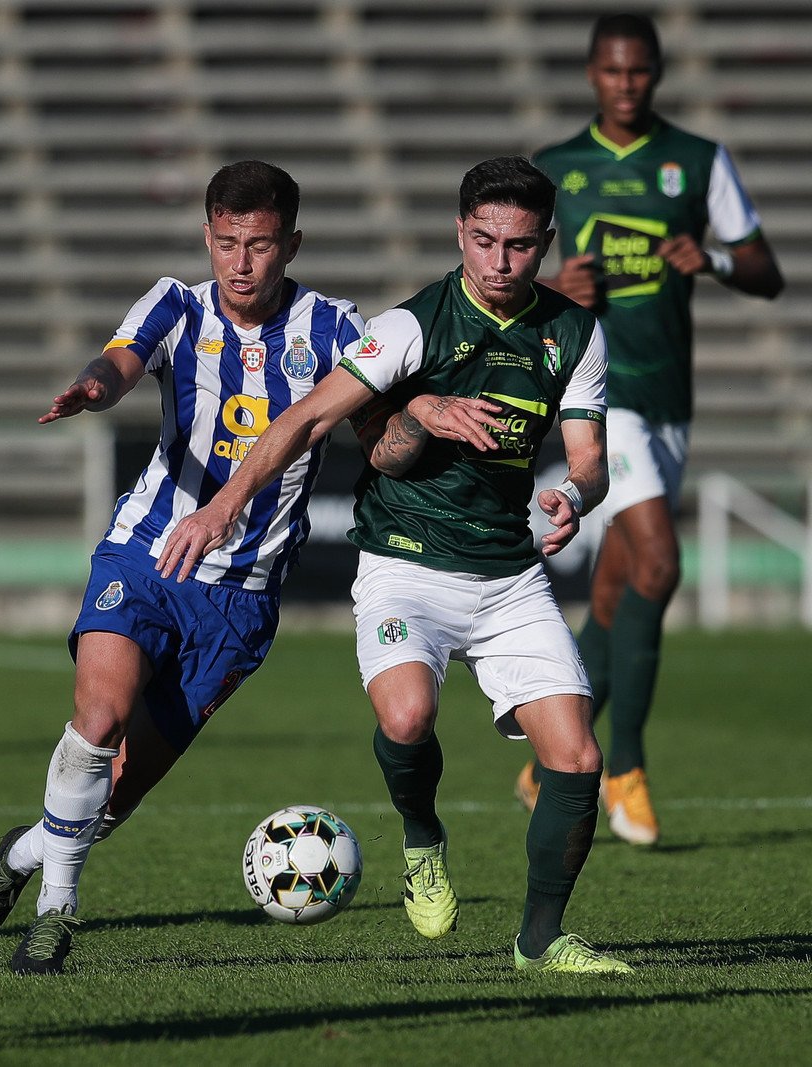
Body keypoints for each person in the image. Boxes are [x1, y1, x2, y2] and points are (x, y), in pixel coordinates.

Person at [161, 157, 634, 974]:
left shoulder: (575, 334)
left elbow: (589, 459)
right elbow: (307, 417)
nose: (499, 261)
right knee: (408, 717)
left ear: (544, 244)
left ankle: (539, 939)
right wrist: (225, 501)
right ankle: (422, 839)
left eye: (519, 246)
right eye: (483, 240)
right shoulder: (412, 327)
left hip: (508, 574)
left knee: (580, 759)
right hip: (405, 563)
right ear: (460, 233)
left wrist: (575, 496)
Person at [0, 161, 367, 975]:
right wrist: (92, 388)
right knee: (98, 719)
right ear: (207, 236)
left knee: (111, 795)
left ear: (293, 244)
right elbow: (122, 360)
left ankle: (22, 855)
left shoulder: (334, 327)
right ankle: (57, 913)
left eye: (260, 245)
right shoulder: (176, 301)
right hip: (144, 555)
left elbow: (384, 393)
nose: (240, 262)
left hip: (240, 600)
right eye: (225, 242)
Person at [524, 12, 784, 846]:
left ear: (657, 73)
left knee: (618, 585)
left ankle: (542, 762)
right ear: (592, 73)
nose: (625, 84)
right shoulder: (557, 169)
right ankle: (622, 763)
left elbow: (766, 271)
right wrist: (555, 287)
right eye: (611, 71)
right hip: (600, 394)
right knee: (663, 562)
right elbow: (504, 284)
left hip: (670, 398)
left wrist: (705, 260)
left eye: (638, 72)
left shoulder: (698, 161)